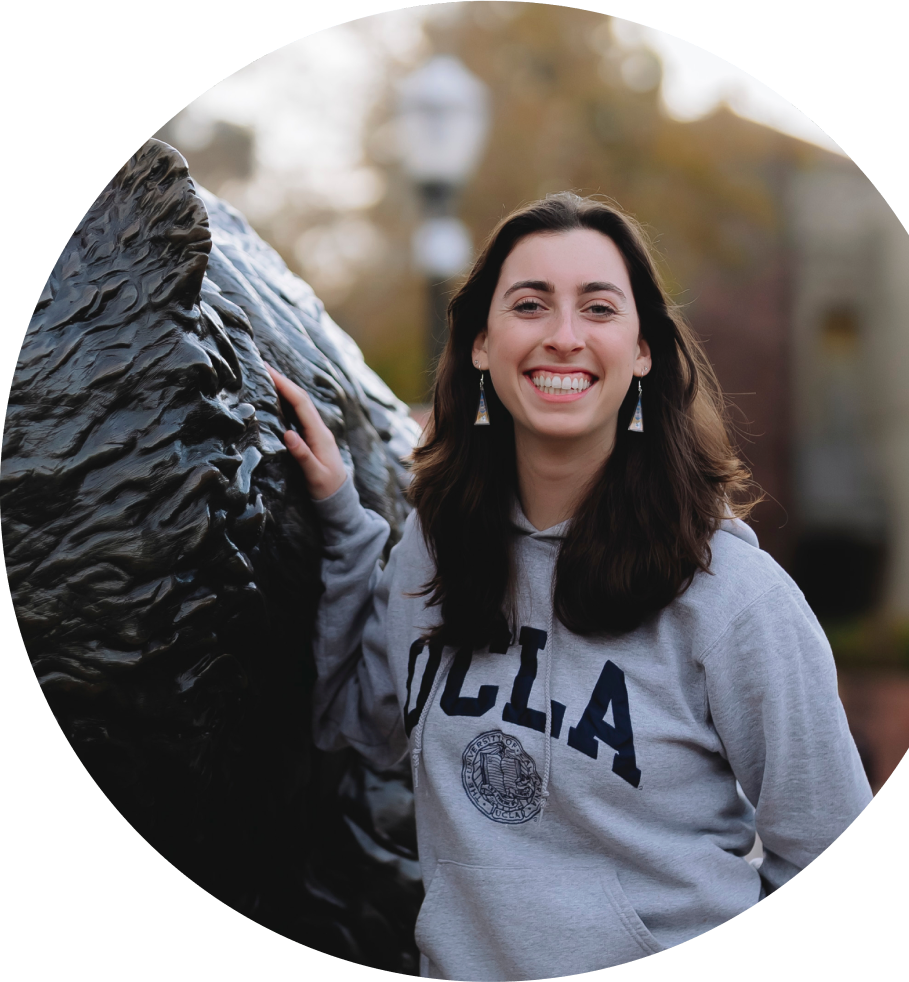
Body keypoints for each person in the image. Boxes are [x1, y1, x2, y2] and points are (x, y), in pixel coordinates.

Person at [270, 193, 872, 982]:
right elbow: (368, 723)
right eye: (529, 305)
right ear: (482, 344)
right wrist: (346, 530)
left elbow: (831, 859)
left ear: (643, 350)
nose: (563, 336)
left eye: (597, 307)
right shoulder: (435, 550)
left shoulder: (734, 598)